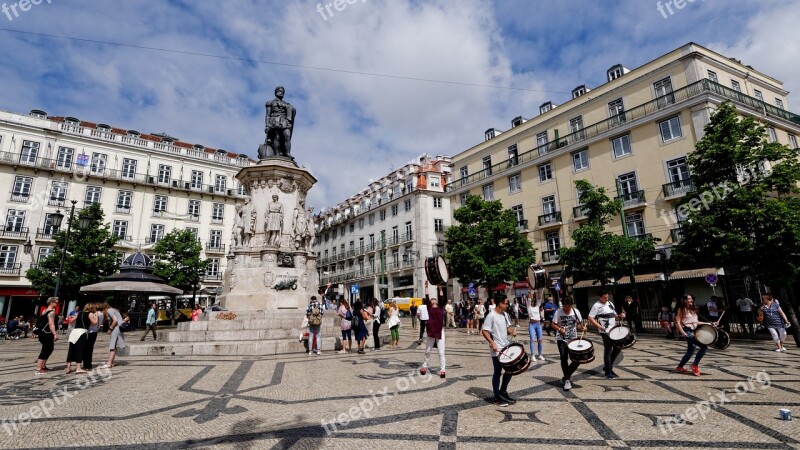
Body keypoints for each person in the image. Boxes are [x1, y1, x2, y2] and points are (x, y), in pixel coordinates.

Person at [481, 296, 517, 406]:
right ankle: (496, 397)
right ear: (500, 303)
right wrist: (492, 343)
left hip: (506, 346)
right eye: (506, 303)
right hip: (496, 349)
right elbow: (485, 331)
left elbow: (507, 328)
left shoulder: (505, 315)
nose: (507, 305)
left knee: (510, 370)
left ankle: (503, 391)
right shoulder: (491, 316)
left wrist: (511, 332)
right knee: (498, 371)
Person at [675, 294, 716, 376]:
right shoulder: (681, 309)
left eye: (691, 299)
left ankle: (680, 367)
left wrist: (710, 324)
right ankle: (694, 365)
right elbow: (677, 322)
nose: (691, 300)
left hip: (694, 330)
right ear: (684, 300)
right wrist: (682, 332)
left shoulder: (692, 310)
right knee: (704, 347)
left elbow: (696, 322)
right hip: (688, 331)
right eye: (689, 299)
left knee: (690, 351)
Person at [588, 290, 625, 379]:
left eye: (607, 297)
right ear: (600, 297)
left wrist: (620, 316)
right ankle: (608, 371)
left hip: (614, 329)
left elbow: (615, 316)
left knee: (618, 348)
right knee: (608, 350)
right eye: (604, 298)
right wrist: (599, 326)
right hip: (605, 331)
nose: (606, 299)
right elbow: (590, 317)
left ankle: (608, 366)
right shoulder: (596, 305)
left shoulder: (610, 303)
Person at [552, 297, 586, 391]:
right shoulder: (558, 312)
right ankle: (567, 380)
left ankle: (566, 376)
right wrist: (559, 329)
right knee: (564, 358)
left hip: (573, 339)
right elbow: (553, 324)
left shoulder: (576, 312)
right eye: (565, 306)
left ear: (571, 305)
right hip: (561, 338)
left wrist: (582, 328)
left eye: (568, 306)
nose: (566, 308)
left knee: (577, 359)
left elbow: (578, 324)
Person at [420, 289, 446, 378]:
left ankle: (442, 370)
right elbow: (427, 297)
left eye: (435, 299)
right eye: (432, 299)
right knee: (427, 350)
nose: (434, 299)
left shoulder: (440, 307)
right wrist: (426, 287)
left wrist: (440, 288)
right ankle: (424, 367)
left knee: (441, 352)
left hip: (439, 331)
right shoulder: (429, 307)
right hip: (431, 331)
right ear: (431, 302)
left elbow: (442, 298)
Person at [65, 303, 98, 374]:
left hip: (74, 332)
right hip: (82, 332)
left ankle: (68, 367)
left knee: (71, 349)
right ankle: (78, 368)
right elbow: (94, 323)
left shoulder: (79, 313)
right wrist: (96, 317)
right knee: (80, 349)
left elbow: (71, 320)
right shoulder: (90, 314)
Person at [35, 297, 59, 375]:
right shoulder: (51, 312)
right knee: (45, 350)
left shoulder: (44, 311)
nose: (57, 304)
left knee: (50, 348)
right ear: (52, 303)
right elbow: (51, 324)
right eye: (56, 302)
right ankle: (38, 368)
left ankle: (43, 366)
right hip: (47, 333)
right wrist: (55, 334)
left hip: (43, 333)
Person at [100, 304, 126, 369]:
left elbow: (115, 320)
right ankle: (112, 362)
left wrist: (110, 328)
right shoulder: (114, 310)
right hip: (119, 328)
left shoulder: (109, 310)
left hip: (116, 329)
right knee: (114, 346)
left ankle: (109, 363)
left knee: (112, 346)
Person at [83, 302, 102, 370]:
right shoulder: (101, 314)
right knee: (89, 349)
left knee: (87, 349)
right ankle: (87, 364)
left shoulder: (95, 314)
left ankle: (87, 365)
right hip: (94, 332)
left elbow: (94, 323)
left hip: (90, 331)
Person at [527, 296, 545, 361]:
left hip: (538, 324)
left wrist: (539, 291)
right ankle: (532, 355)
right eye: (532, 301)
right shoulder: (529, 307)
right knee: (532, 340)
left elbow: (539, 298)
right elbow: (529, 300)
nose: (533, 302)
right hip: (532, 325)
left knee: (540, 340)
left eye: (534, 301)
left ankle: (540, 354)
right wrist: (530, 294)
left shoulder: (537, 307)